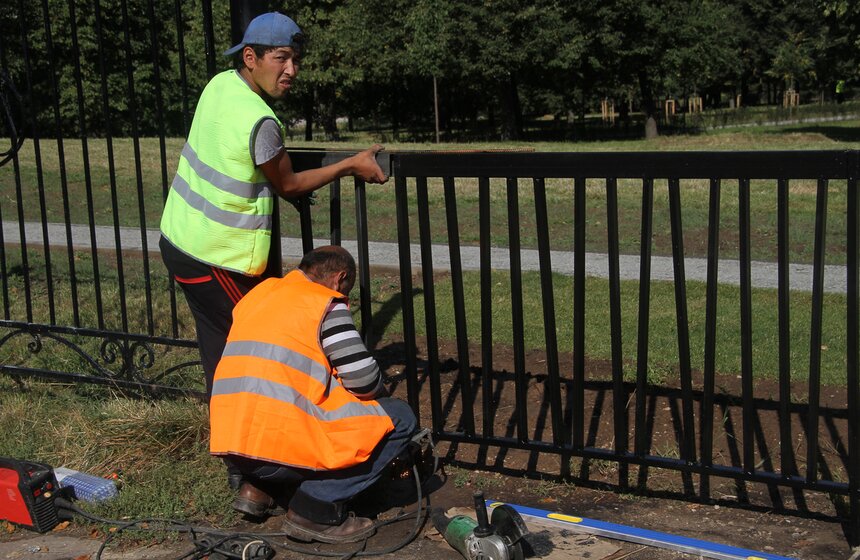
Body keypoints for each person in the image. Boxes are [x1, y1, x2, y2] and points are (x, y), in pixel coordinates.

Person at [159, 12, 387, 403]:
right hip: (216, 258)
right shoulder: (260, 120)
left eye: (295, 60)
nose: (291, 70)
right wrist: (351, 164)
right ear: (251, 57)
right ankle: (261, 438)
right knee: (256, 344)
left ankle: (232, 445)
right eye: (281, 58)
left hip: (180, 241)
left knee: (221, 347)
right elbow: (288, 184)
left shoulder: (219, 85)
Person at [209, 246, 417, 543]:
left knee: (279, 410)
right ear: (340, 278)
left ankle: (258, 490)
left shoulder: (260, 295)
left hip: (233, 445)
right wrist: (378, 396)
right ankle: (315, 508)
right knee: (400, 417)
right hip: (277, 451)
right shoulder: (323, 303)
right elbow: (363, 380)